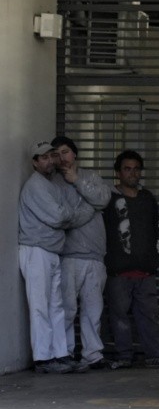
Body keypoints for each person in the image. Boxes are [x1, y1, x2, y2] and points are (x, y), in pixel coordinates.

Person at [18, 141, 90, 374]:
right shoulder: (36, 185)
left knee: (55, 306)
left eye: (52, 156)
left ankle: (60, 354)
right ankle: (43, 358)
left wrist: (65, 215)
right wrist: (69, 215)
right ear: (35, 162)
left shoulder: (51, 185)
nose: (50, 161)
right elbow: (59, 217)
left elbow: (63, 213)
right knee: (40, 305)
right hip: (36, 250)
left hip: (51, 251)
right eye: (44, 157)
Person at [103, 149, 159, 369]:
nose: (132, 173)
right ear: (118, 172)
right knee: (118, 316)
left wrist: (155, 257)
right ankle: (124, 357)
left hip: (145, 271)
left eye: (136, 169)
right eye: (127, 169)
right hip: (117, 271)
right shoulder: (108, 198)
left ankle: (156, 356)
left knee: (149, 316)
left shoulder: (147, 199)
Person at [50, 136, 111, 371]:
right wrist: (90, 206)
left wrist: (76, 181)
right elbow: (64, 216)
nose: (61, 157)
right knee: (67, 309)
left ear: (74, 154)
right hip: (68, 256)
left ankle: (93, 355)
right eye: (56, 153)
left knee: (93, 310)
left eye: (65, 152)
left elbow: (104, 199)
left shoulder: (90, 177)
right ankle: (64, 353)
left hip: (95, 257)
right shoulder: (53, 183)